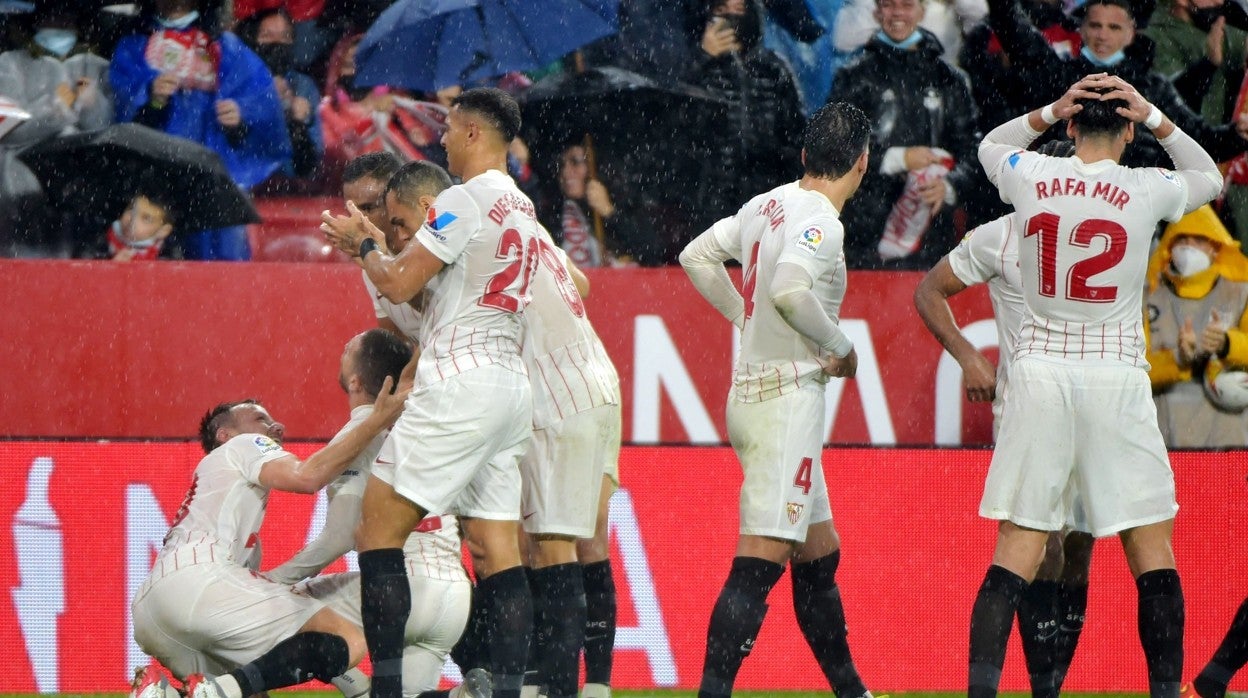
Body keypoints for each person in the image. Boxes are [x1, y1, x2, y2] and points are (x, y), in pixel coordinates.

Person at [968, 73, 1223, 698]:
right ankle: (1165, 693)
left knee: (1016, 550)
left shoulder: (1030, 175)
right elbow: (1210, 177)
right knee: (1150, 549)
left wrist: (1047, 111)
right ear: (1129, 131)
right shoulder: (1146, 186)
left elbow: (989, 145)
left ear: (1072, 125)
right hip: (1115, 374)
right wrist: (1156, 116)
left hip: (1040, 371)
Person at [320, 87, 540, 698]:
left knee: (377, 529)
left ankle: (387, 690)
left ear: (472, 132)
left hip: (459, 377)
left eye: (448, 129)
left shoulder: (462, 200)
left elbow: (396, 280)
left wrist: (364, 246)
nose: (440, 139)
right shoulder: (522, 206)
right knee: (496, 550)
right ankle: (508, 690)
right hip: (509, 382)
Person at [678, 101, 880, 698]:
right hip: (786, 398)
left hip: (752, 392)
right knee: (760, 560)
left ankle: (853, 693)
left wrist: (742, 316)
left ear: (805, 154)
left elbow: (695, 256)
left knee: (819, 557)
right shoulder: (823, 222)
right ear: (863, 163)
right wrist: (842, 347)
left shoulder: (765, 204)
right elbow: (791, 291)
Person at [129, 337, 413, 697]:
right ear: (225, 434)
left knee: (250, 684)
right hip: (197, 582)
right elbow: (308, 477)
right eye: (260, 419)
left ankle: (164, 693)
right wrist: (377, 420)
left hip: (152, 613)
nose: (276, 426)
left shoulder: (230, 517)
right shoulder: (242, 445)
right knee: (347, 639)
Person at [912, 150, 1095, 697]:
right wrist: (969, 355)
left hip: (1094, 410)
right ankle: (1036, 689)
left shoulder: (1108, 234)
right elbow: (928, 290)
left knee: (1078, 547)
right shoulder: (1002, 235)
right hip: (1027, 409)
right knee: (1034, 548)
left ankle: (1052, 687)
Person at [266, 328, 487, 698]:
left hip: (401, 589)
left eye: (347, 347)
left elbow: (339, 536)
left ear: (355, 381)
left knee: (280, 605)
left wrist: (270, 581)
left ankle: (233, 686)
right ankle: (460, 695)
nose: (342, 349)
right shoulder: (426, 431)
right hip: (454, 598)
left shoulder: (360, 431)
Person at [513, 228, 621, 698]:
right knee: (581, 538)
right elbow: (581, 284)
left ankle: (555, 681)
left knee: (547, 541)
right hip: (590, 379)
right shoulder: (528, 227)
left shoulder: (477, 232)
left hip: (558, 389)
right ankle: (585, 682)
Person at [110, 0, 290, 261]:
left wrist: (239, 115)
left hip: (211, 177)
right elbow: (122, 110)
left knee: (216, 265)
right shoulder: (135, 46)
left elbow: (262, 105)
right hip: (153, 175)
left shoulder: (226, 47)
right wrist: (151, 96)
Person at [827, 0, 983, 271]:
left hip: (931, 237)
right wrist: (897, 158)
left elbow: (973, 150)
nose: (897, 13)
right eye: (889, 5)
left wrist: (949, 186)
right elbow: (835, 146)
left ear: (922, 11)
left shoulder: (949, 79)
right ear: (877, 12)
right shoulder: (852, 77)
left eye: (907, 5)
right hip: (864, 235)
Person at [686, 0, 807, 231]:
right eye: (721, 10)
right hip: (708, 201)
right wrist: (702, 58)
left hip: (765, 201)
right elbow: (678, 124)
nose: (731, 18)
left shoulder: (774, 68)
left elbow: (796, 136)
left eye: (739, 9)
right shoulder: (693, 66)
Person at [1145, 204, 1248, 447]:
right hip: (1165, 438)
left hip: (1230, 441)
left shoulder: (1242, 292)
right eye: (1182, 239)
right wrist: (1178, 359)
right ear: (1169, 245)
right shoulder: (1147, 296)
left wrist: (1227, 344)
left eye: (1199, 240)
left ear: (1215, 246)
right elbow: (1133, 369)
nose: (1189, 247)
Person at [236, 6, 323, 186]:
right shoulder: (239, 83)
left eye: (284, 37)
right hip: (249, 186)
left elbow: (313, 161)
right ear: (254, 40)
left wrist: (298, 123)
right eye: (267, 36)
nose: (277, 43)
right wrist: (265, 100)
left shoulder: (304, 85)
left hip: (295, 189)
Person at [537, 141, 656, 267]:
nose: (565, 172)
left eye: (575, 162)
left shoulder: (624, 204)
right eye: (561, 165)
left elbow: (652, 252)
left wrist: (609, 213)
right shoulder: (553, 212)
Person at [96, 184, 177, 261]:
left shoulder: (167, 253)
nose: (132, 220)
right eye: (131, 210)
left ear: (163, 231)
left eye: (146, 218)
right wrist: (112, 265)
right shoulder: (104, 239)